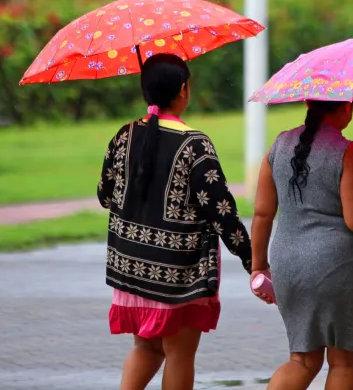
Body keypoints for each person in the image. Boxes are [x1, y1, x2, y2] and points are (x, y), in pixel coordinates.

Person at [97, 54, 252, 390]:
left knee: (147, 348)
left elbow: (105, 195)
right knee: (179, 353)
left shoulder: (125, 136)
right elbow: (221, 211)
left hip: (132, 268)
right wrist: (252, 259)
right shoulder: (195, 145)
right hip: (177, 274)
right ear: (183, 90)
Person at [249, 100, 353, 390]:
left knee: (302, 361)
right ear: (348, 107)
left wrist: (258, 268)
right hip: (334, 268)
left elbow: (262, 214)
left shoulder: (279, 145)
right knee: (342, 363)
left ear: (307, 102)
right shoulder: (346, 151)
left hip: (287, 266)